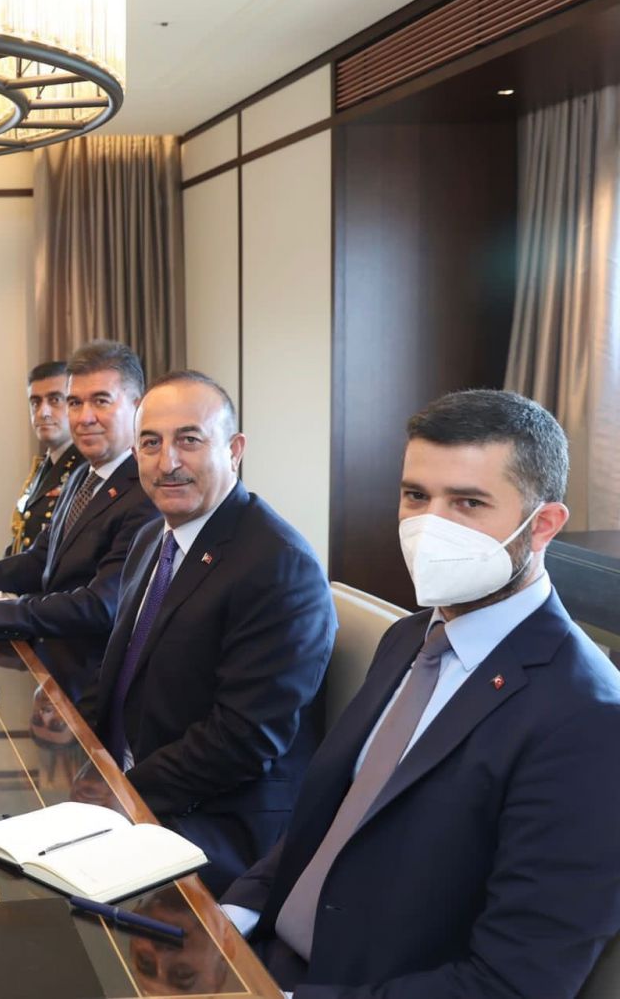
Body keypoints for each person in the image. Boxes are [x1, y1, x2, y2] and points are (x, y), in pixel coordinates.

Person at [222, 390, 620, 998]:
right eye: (416, 496)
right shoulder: (410, 636)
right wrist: (233, 916)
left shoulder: (589, 719)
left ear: (542, 525)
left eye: (468, 502)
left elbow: (515, 983)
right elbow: (334, 816)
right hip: (261, 953)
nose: (431, 526)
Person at [90, 371, 334, 894]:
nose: (167, 462)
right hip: (138, 784)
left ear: (234, 450)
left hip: (218, 820)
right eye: (150, 443)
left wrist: (120, 792)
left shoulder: (277, 564)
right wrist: (87, 770)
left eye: (189, 440)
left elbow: (244, 739)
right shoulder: (152, 539)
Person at [0, 340, 157, 701]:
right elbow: (39, 560)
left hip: (92, 686)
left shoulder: (145, 491)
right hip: (45, 663)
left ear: (138, 407)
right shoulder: (83, 476)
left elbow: (99, 605)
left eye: (101, 401)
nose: (84, 417)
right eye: (74, 403)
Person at [5, 360, 83, 556]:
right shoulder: (44, 465)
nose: (43, 412)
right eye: (35, 402)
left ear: (74, 404)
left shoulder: (85, 468)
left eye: (55, 400)